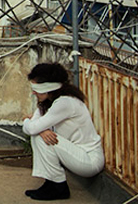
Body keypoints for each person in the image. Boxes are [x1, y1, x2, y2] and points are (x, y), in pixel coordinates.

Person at [22, 63, 105, 201]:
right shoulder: (52, 101)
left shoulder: (65, 103)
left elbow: (31, 128)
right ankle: (50, 183)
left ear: (48, 87)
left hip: (89, 160)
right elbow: (35, 125)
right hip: (75, 153)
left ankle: (58, 187)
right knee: (41, 135)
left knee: (40, 137)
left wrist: (26, 120)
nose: (33, 93)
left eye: (36, 89)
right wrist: (39, 129)